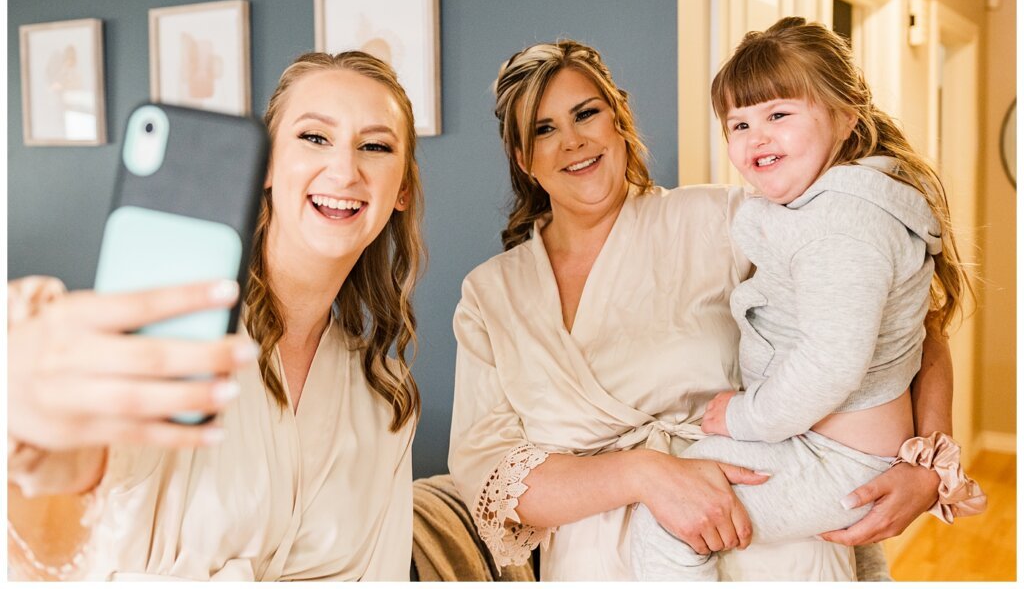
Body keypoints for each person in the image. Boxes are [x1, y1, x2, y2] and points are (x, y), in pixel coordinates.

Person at [448, 38, 958, 581]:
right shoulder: (491, 296)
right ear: (524, 159)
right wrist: (645, 475)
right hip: (596, 567)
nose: (573, 141)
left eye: (586, 113)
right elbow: (491, 480)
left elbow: (909, 321)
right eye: (544, 130)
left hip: (767, 540)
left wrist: (925, 465)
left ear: (618, 119)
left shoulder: (730, 220)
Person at [7, 51, 425, 580]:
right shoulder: (169, 343)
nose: (344, 169)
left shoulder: (385, 397)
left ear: (402, 189)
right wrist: (34, 447)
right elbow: (64, 519)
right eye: (314, 137)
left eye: (375, 146)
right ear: (267, 164)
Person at [628, 17, 987, 580]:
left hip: (836, 460)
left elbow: (831, 363)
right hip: (840, 453)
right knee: (860, 562)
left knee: (672, 518)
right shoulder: (832, 208)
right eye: (739, 123)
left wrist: (746, 417)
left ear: (847, 117)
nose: (756, 137)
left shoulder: (838, 228)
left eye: (779, 114)